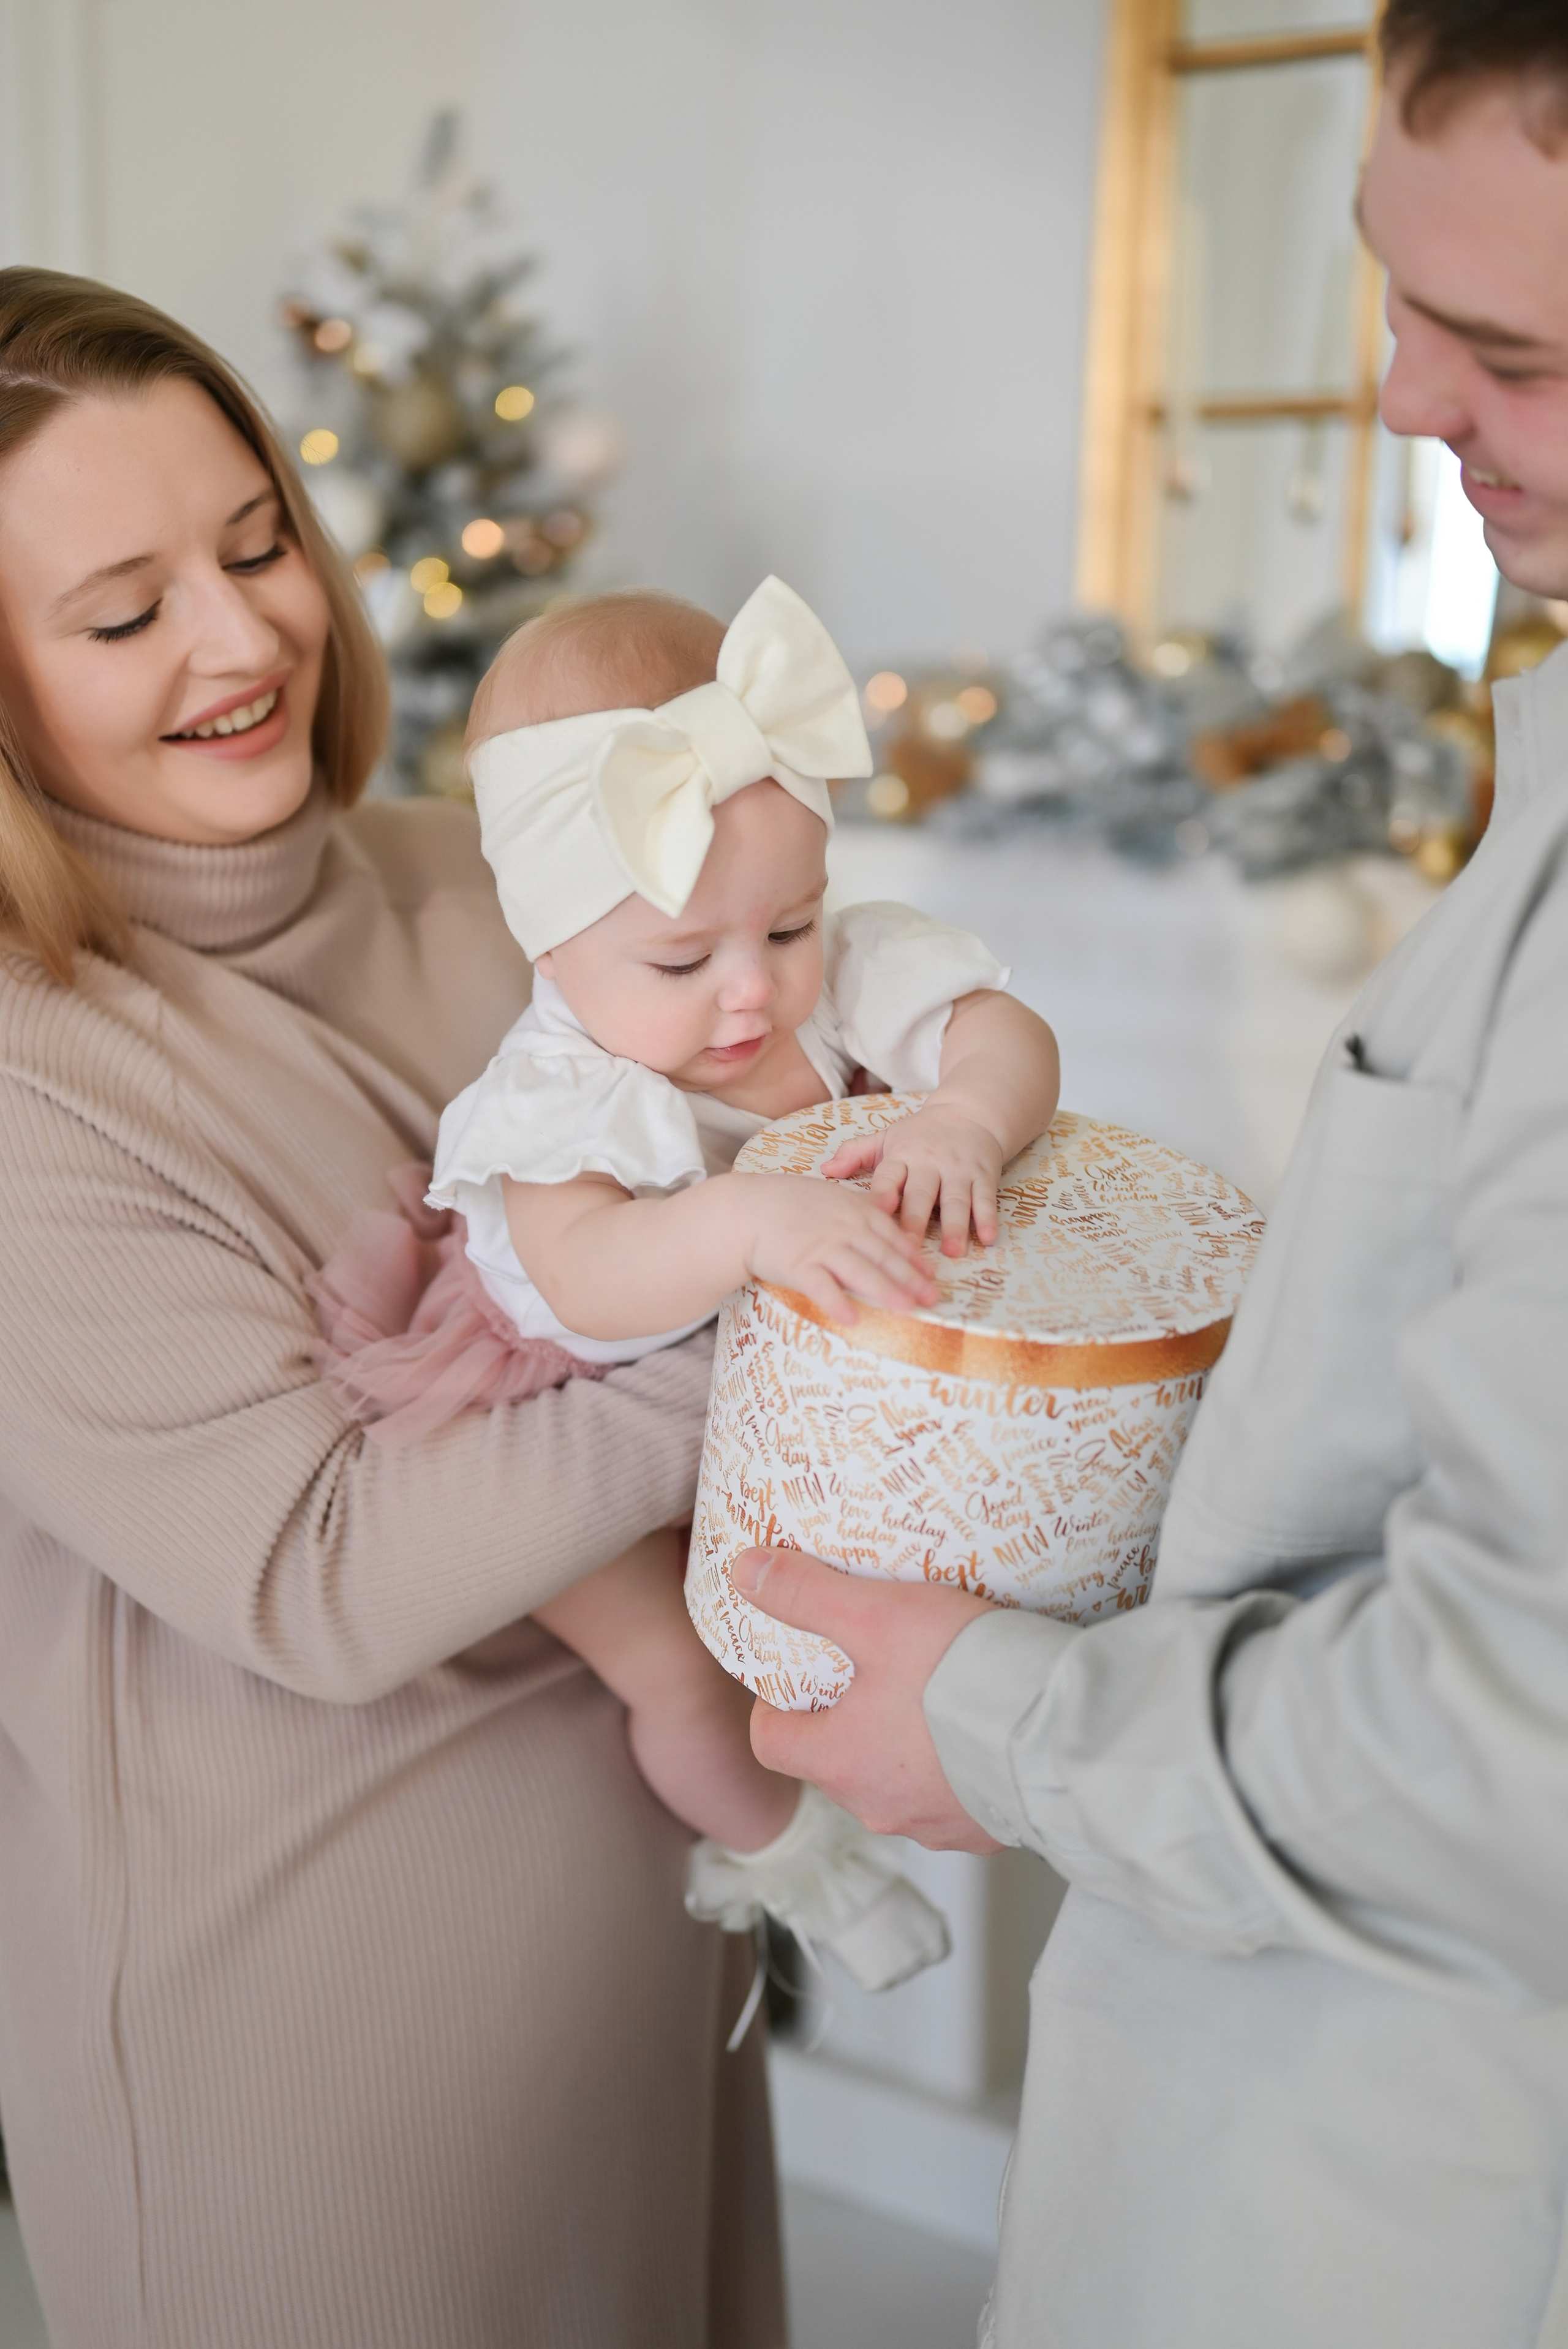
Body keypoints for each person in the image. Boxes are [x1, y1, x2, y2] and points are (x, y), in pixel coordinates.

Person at [730, 6, 1568, 2343]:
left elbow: (1523, 1739)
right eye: (1390, 296)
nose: (1405, 400)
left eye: (1512, 348)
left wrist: (991, 1716)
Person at [0, 268, 782, 2349]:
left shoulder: (498, 887)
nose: (248, 638)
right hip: (304, 2038)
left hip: (647, 1959)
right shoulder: (28, 1067)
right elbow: (325, 1569)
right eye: (121, 610)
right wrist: (754, 1302)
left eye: (257, 545)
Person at [325, 576, 1055, 1989]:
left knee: (864, 1601)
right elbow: (589, 1277)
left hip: (751, 1396)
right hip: (532, 1408)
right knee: (672, 1668)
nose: (749, 993)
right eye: (680, 956)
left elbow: (997, 1027)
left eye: (783, 930)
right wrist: (740, 1221)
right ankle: (805, 1877)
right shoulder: (558, 1091)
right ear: (549, 945)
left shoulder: (824, 972)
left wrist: (963, 1112)